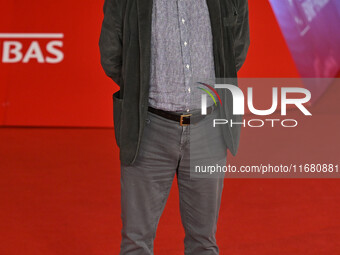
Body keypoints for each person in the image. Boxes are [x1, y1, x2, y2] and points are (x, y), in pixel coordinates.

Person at [99, 0, 250, 254]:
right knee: (136, 241)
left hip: (208, 129)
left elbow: (235, 49)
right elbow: (112, 53)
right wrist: (139, 89)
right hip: (147, 131)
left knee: (204, 242)